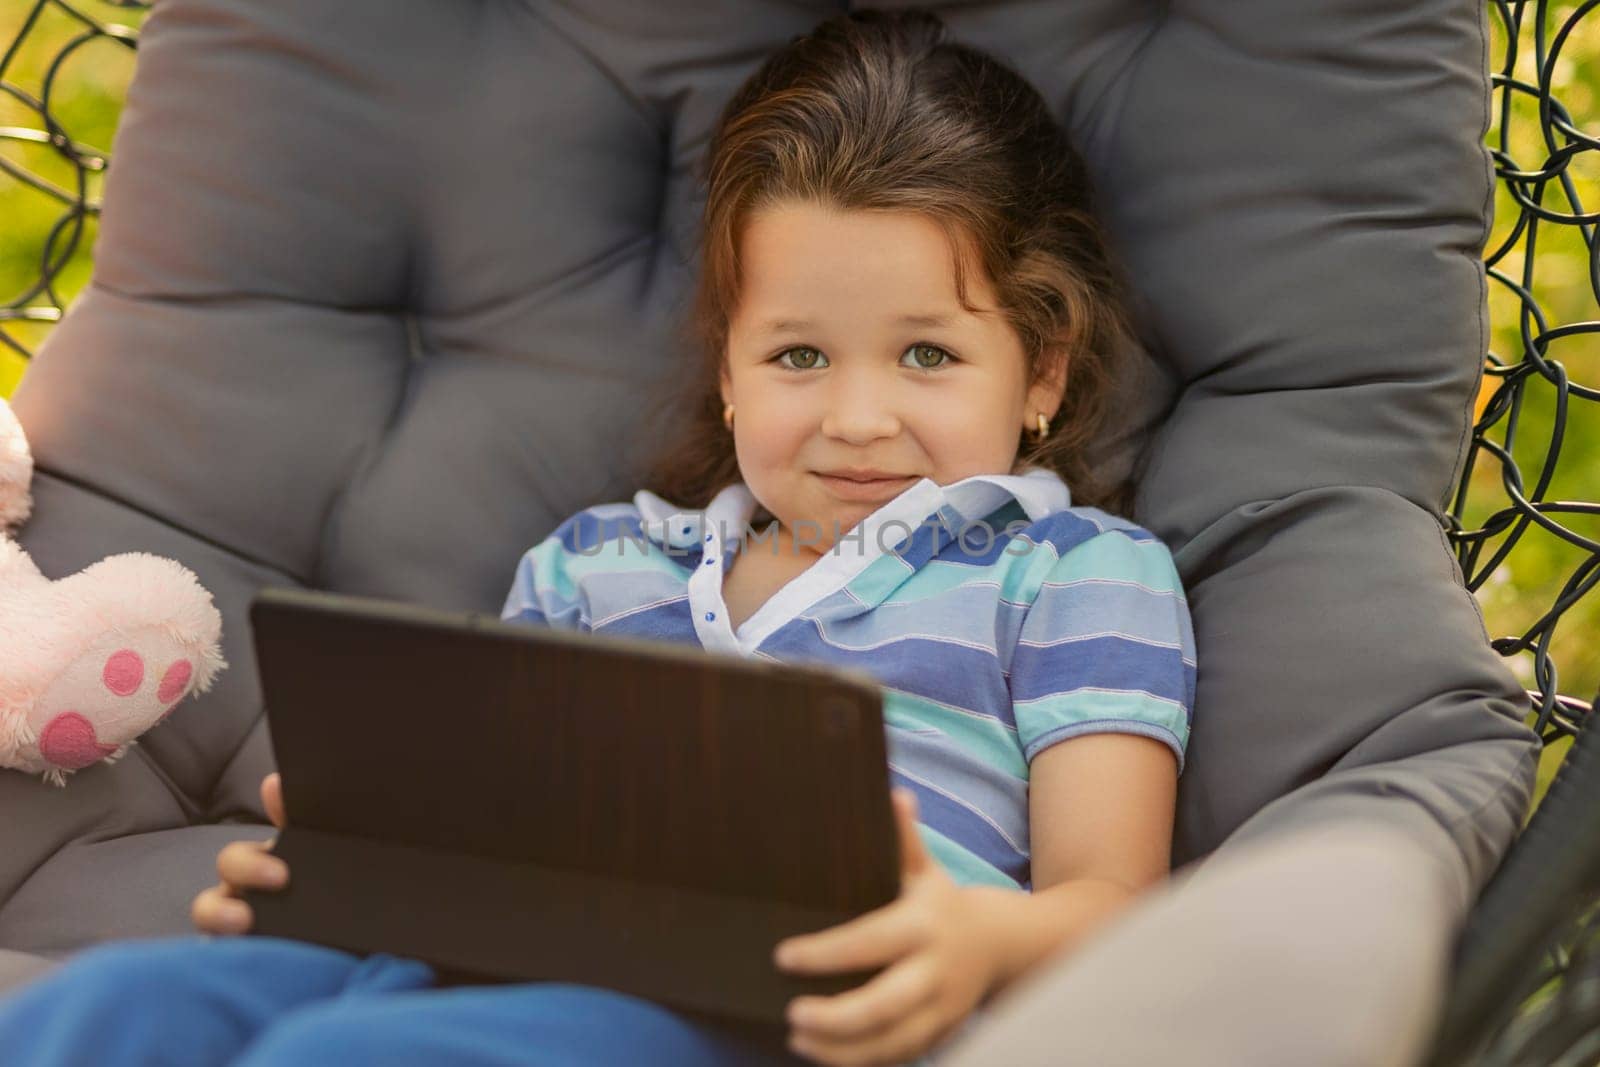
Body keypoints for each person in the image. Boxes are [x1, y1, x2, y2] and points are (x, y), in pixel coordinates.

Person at [0, 9, 1195, 1066]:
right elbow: (484, 830)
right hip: (476, 950)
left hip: (767, 1009)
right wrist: (343, 864)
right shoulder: (596, 561)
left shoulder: (1072, 571)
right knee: (120, 1009)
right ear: (728, 369)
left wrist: (974, 939)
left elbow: (1112, 894)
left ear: (1038, 366)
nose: (857, 418)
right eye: (797, 355)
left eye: (927, 353)